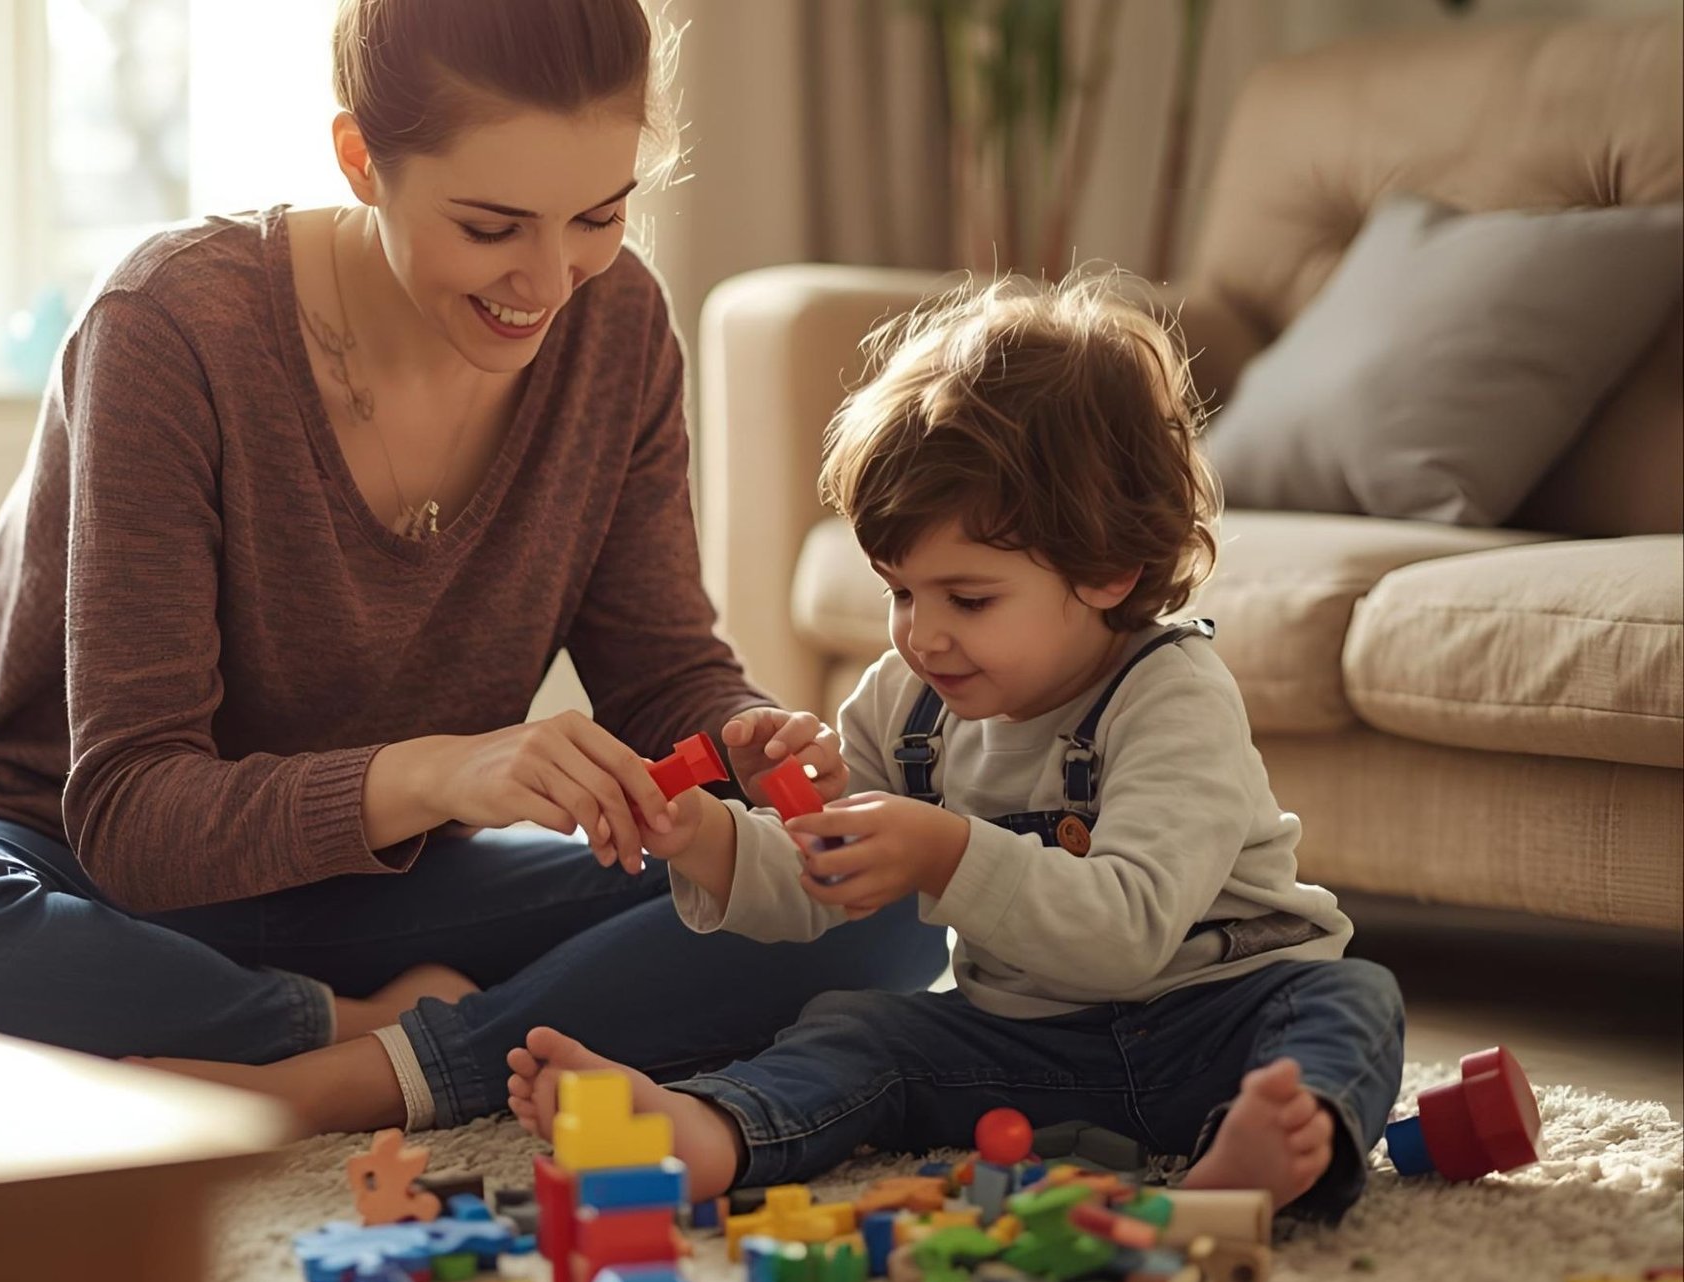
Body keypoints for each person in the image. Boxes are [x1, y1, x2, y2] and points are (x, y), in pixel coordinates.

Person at [0, 0, 945, 1134]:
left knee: (871, 904)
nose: (548, 282)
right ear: (359, 159)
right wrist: (443, 776)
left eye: (599, 216)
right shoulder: (174, 327)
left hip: (374, 895)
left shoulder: (620, 327)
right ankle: (363, 1034)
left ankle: (375, 1073)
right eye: (492, 227)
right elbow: (134, 813)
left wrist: (742, 735)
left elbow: (658, 671)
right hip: (70, 867)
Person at [506, 276, 1407, 1215]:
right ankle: (715, 1131)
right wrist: (702, 833)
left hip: (1220, 1024)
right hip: (1031, 1049)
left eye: (967, 600)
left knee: (1349, 1002)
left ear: (1105, 572)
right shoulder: (908, 701)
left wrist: (945, 851)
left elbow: (1127, 934)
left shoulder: (1173, 699)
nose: (920, 636)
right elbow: (814, 884)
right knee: (858, 1027)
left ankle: (1259, 1157)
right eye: (901, 592)